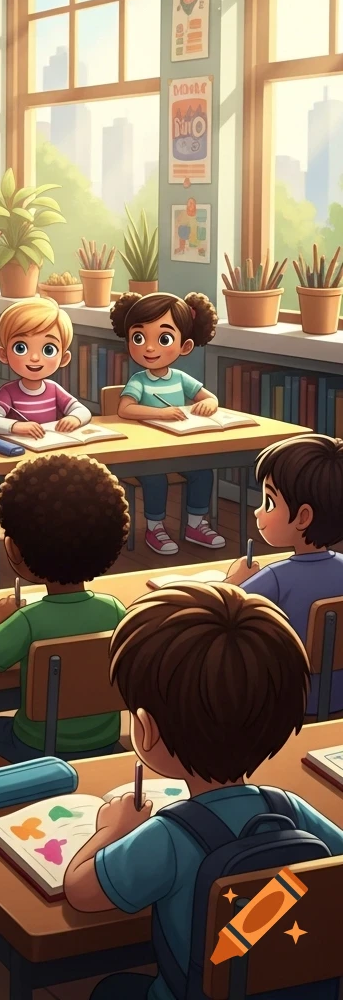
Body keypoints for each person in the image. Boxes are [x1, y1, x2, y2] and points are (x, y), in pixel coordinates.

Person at [63, 582, 343, 1000]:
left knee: (111, 990)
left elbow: (81, 892)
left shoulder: (169, 836)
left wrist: (111, 828)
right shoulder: (290, 809)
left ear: (145, 727)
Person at [0, 454, 128, 764]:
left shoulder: (28, 620)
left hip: (37, 749)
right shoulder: (115, 610)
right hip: (106, 744)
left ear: (15, 549)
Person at [226, 433, 343, 717]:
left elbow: (219, 609)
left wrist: (233, 581)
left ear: (303, 518)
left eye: (269, 502)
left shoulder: (276, 578)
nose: (257, 512)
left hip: (288, 701)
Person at [110, 291, 224, 556]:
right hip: (145, 452)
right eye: (139, 338)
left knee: (203, 473)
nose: (150, 348)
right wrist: (162, 413)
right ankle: (155, 527)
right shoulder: (139, 380)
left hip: (180, 448)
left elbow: (210, 398)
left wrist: (210, 403)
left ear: (184, 346)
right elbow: (124, 409)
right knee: (155, 478)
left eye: (163, 339)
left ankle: (195, 525)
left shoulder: (180, 377)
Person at [0, 297, 90, 438]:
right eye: (21, 348)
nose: (34, 358)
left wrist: (75, 418)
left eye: (48, 350)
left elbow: (83, 411)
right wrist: (16, 426)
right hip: (21, 449)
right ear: (3, 354)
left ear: (64, 358)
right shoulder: (8, 392)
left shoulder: (54, 389)